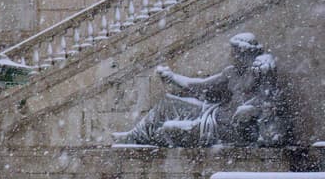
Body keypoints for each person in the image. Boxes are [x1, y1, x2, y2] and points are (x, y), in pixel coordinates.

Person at [115, 32, 286, 147]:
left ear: (244, 52)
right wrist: (172, 77)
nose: (232, 56)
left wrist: (252, 109)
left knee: (168, 129)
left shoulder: (262, 69)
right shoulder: (231, 72)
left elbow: (270, 102)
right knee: (168, 102)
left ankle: (149, 137)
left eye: (235, 52)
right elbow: (200, 85)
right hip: (215, 113)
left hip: (229, 126)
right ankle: (135, 136)